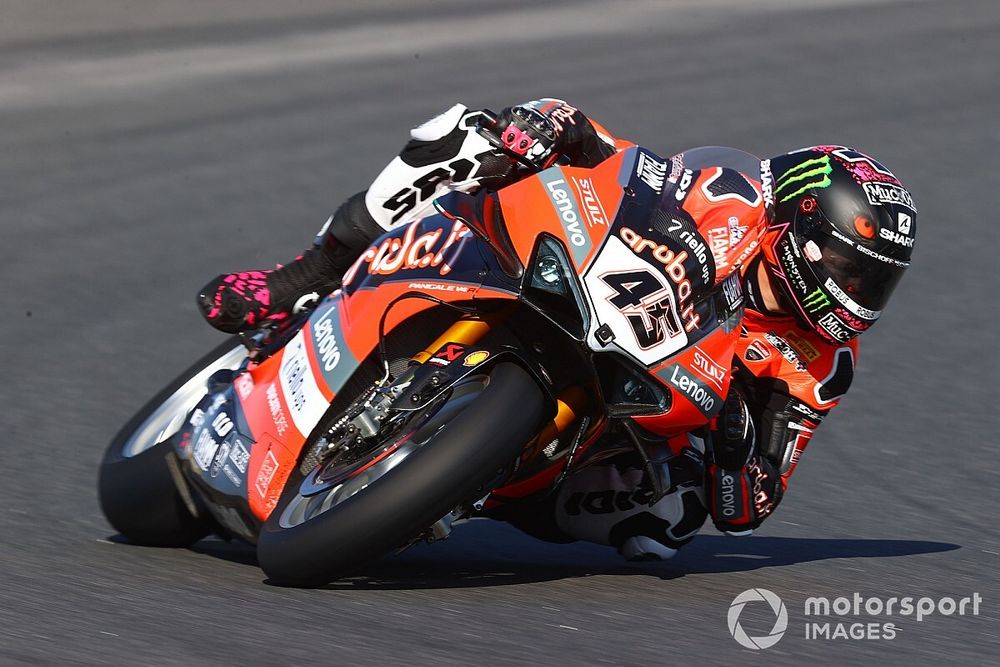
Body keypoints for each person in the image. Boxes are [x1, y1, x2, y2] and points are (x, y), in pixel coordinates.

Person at [197, 100, 916, 560]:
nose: (858, 296)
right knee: (466, 136)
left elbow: (749, 508)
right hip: (586, 286)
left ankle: (471, 480)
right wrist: (552, 126)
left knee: (673, 518)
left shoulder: (820, 364)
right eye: (855, 272)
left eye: (875, 282)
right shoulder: (733, 197)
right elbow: (627, 162)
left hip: (642, 412)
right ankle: (295, 280)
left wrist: (737, 446)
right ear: (801, 234)